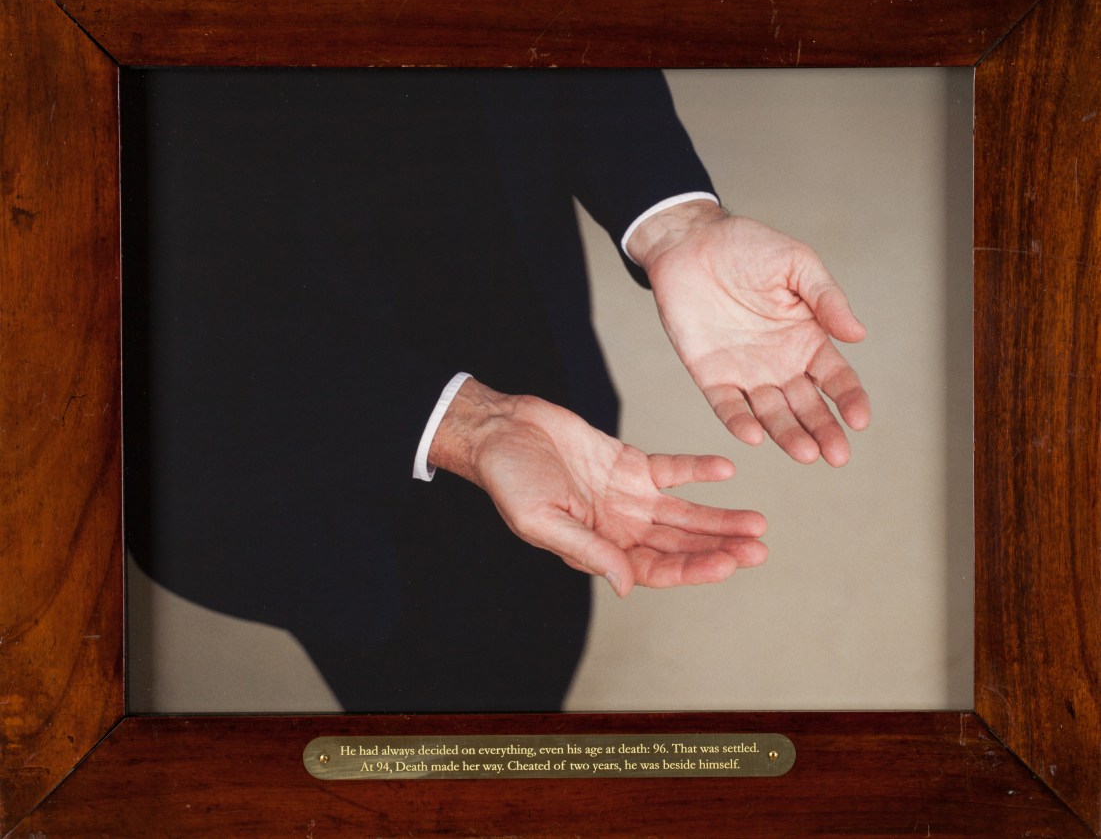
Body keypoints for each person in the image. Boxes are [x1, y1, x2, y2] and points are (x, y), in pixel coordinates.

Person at [125, 68, 868, 712]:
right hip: (270, 429)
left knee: (528, 637)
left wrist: (673, 219)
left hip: (519, 346)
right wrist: (465, 426)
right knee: (428, 691)